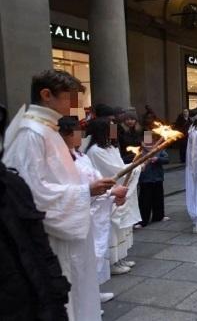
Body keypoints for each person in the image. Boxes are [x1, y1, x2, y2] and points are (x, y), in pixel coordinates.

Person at [3, 69, 117, 320]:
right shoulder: (31, 133)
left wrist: (92, 191)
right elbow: (30, 192)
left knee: (79, 290)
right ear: (46, 95)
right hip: (55, 235)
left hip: (70, 226)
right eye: (71, 98)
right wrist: (85, 190)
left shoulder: (47, 130)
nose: (76, 106)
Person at [59, 116, 126, 304]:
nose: (81, 135)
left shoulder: (82, 156)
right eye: (77, 131)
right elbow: (79, 188)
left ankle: (93, 291)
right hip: (82, 215)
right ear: (66, 135)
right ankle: (84, 299)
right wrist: (108, 191)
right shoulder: (63, 160)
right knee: (81, 260)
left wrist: (112, 193)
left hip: (96, 211)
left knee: (94, 255)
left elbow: (96, 179)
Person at [85, 117, 142, 276]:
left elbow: (121, 167)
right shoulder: (96, 150)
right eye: (110, 128)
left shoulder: (111, 147)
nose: (114, 132)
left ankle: (121, 257)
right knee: (112, 229)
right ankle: (112, 261)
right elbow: (114, 172)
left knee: (122, 229)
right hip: (106, 195)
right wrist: (136, 166)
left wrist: (134, 165)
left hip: (118, 191)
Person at [135, 136, 169, 228]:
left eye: (151, 143)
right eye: (146, 143)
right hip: (145, 179)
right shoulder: (139, 152)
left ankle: (158, 216)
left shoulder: (158, 149)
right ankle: (143, 220)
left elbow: (166, 159)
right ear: (142, 143)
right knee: (144, 200)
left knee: (158, 198)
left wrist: (158, 159)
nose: (149, 145)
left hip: (158, 178)